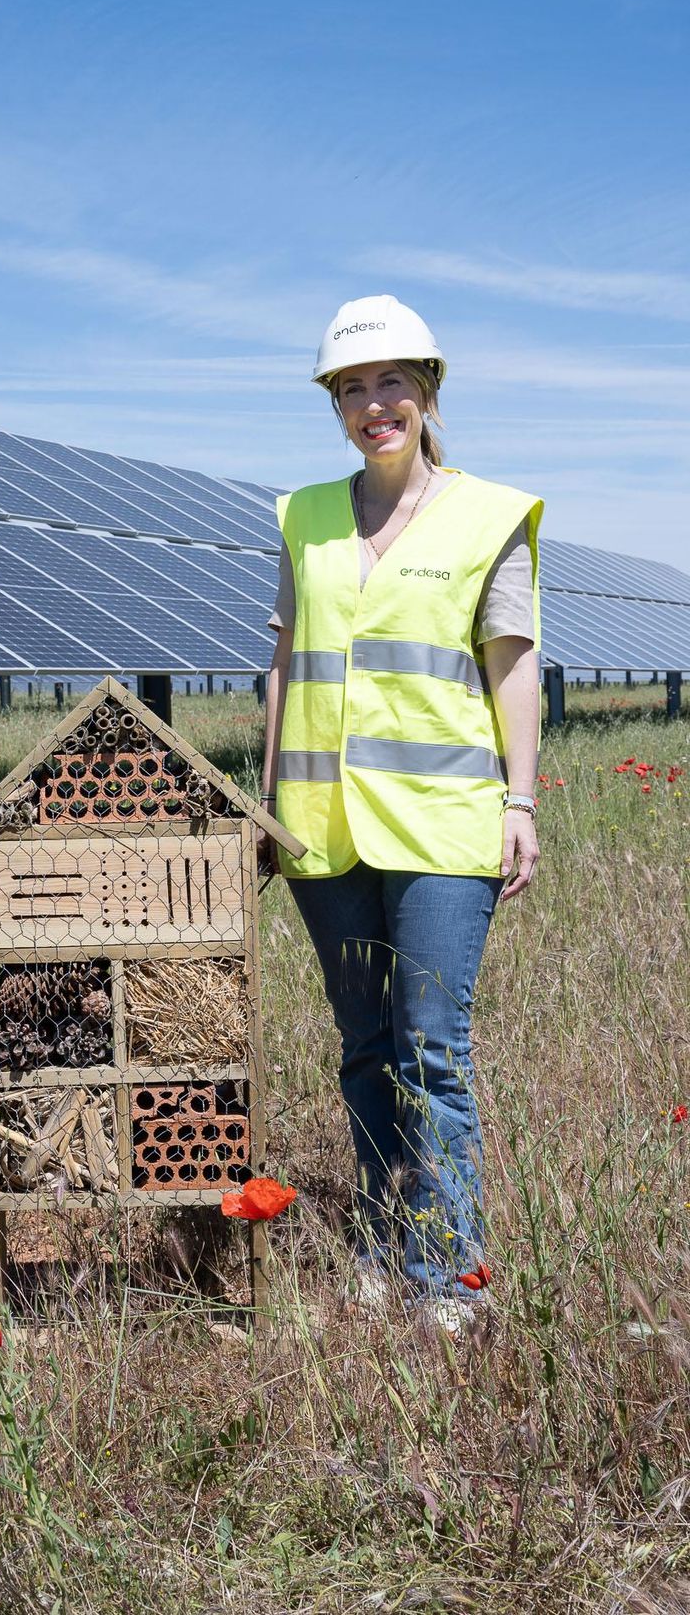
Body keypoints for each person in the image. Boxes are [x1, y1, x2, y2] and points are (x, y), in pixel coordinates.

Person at [261, 295, 541, 1336]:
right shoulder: (304, 515)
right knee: (365, 1046)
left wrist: (522, 799)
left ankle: (451, 1272)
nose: (372, 406)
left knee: (432, 1048)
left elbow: (513, 670)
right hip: (325, 828)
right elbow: (287, 659)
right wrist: (269, 791)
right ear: (334, 405)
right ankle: (382, 1247)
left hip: (442, 826)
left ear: (427, 392)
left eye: (390, 385)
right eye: (350, 389)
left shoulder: (489, 516)